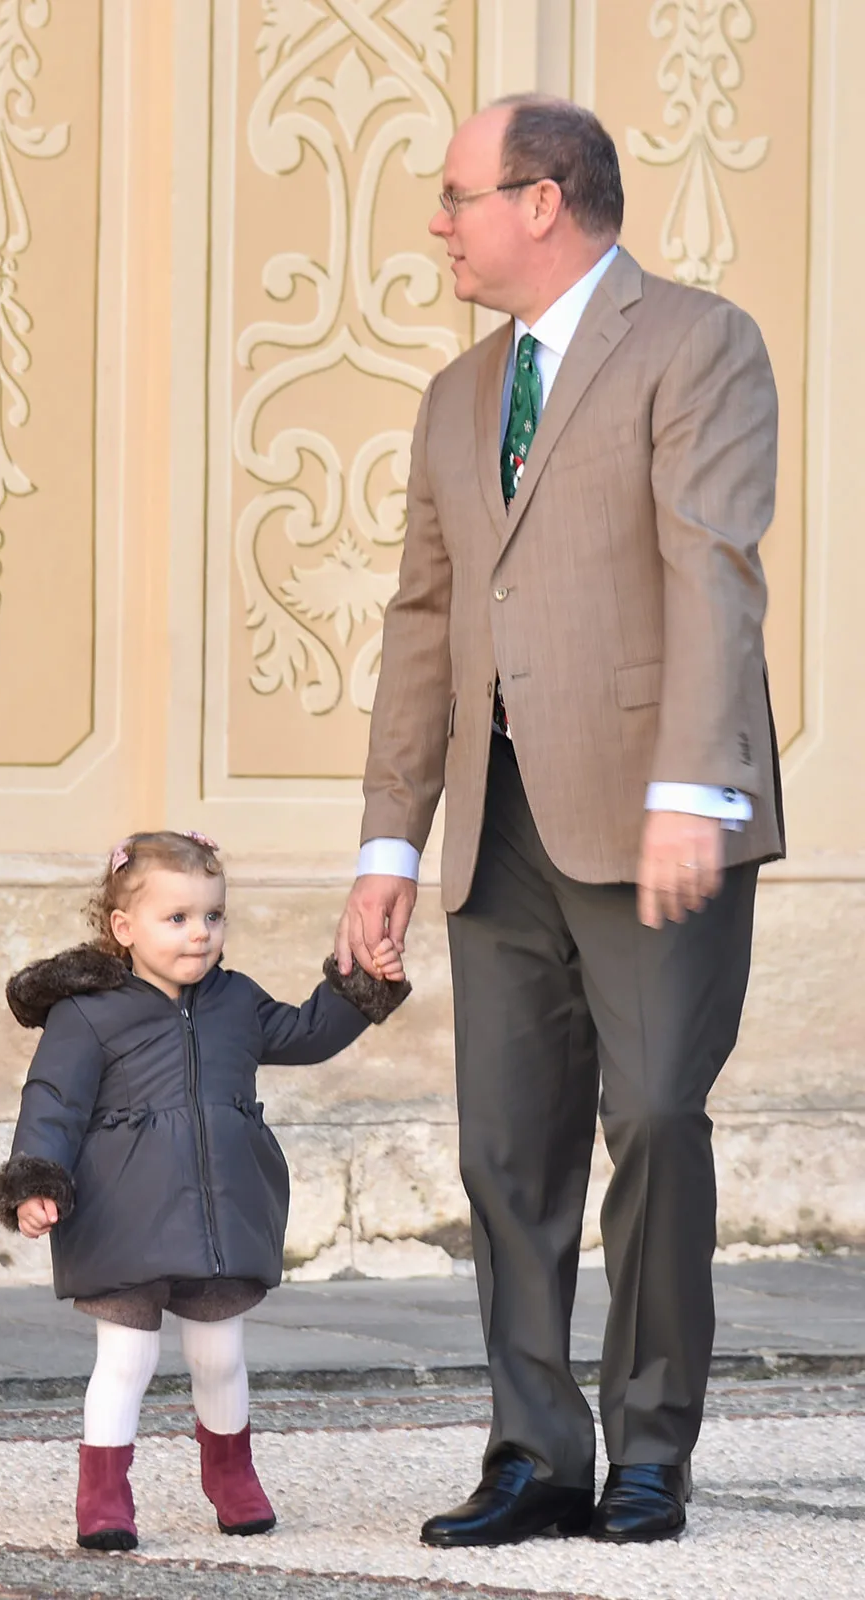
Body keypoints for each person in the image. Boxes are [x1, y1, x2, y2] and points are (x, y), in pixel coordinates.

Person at [335, 95, 784, 1547]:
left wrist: (693, 786)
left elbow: (712, 566)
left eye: (459, 195)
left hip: (660, 810)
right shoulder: (457, 394)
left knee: (655, 1115)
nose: (438, 223)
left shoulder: (697, 340)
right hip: (498, 824)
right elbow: (423, 619)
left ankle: (651, 1445)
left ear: (545, 200)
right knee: (505, 1149)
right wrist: (390, 840)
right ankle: (536, 1452)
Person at [0, 832, 409, 1552]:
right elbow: (51, 1100)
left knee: (220, 1356)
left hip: (220, 1209)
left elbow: (307, 1033)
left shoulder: (235, 1001)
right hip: (122, 1214)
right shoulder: (87, 1014)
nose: (200, 934)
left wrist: (363, 981)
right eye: (176, 918)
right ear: (124, 928)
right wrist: (35, 1180)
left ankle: (232, 1476)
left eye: (213, 917)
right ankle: (104, 1496)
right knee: (127, 1359)